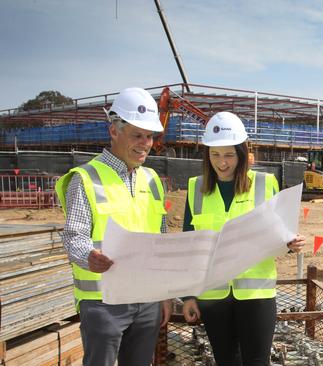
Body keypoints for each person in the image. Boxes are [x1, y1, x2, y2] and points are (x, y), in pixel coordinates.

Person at [56, 87, 171, 366]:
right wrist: (88, 256)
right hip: (102, 301)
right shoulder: (85, 178)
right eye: (137, 135)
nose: (145, 143)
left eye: (150, 136)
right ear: (114, 131)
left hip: (146, 300)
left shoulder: (153, 179)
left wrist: (165, 294)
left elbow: (161, 239)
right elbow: (74, 236)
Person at [181, 111, 306, 366]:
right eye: (215, 155)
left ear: (241, 153)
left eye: (228, 154)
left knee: (257, 362)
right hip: (213, 296)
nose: (222, 163)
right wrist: (189, 296)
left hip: (256, 296)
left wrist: (291, 244)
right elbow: (188, 249)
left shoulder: (265, 183)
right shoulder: (195, 188)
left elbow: (279, 234)